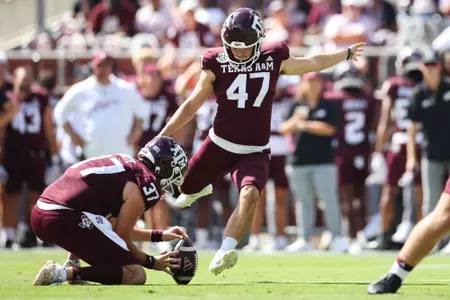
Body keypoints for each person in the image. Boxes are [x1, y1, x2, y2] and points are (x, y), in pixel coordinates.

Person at [158, 7, 364, 275]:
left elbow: (312, 62)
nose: (240, 52)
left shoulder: (274, 56)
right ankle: (196, 189)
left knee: (251, 193)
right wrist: (163, 135)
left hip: (254, 150)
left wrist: (345, 54)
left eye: (246, 47)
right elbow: (190, 105)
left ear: (259, 41)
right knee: (181, 196)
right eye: (234, 47)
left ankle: (226, 250)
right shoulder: (214, 62)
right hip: (218, 144)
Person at [31, 136, 189, 286]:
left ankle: (72, 262)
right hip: (61, 217)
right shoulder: (144, 184)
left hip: (41, 212)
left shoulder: (126, 164)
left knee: (97, 217)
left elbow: (114, 227)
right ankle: (61, 273)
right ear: (164, 165)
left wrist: (159, 235)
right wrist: (152, 262)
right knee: (135, 274)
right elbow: (122, 238)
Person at [367, 50, 450, 295]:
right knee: (440, 213)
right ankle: (395, 275)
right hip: (432, 154)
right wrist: (409, 158)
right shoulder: (418, 93)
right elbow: (411, 129)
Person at [281, 72, 346, 252]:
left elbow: (329, 129)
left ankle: (336, 237)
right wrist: (296, 121)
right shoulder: (295, 105)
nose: (313, 85)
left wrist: (305, 125)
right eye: (309, 81)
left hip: (324, 160)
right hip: (298, 160)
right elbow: (283, 128)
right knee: (303, 201)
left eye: (316, 81)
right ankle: (304, 238)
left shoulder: (329, 104)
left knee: (329, 200)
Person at [367, 48, 424, 249]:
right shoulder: (424, 84)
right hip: (420, 142)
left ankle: (385, 235)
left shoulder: (394, 84)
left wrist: (378, 152)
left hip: (401, 142)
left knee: (391, 191)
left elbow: (384, 121)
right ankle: (419, 240)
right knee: (419, 193)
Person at [1, 66, 59, 248]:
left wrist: (55, 157)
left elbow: (49, 128)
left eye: (28, 78)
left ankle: (35, 232)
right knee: (11, 194)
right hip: (12, 154)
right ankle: (9, 235)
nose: (24, 81)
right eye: (21, 78)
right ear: (14, 79)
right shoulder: (6, 98)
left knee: (38, 195)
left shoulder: (40, 99)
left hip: (35, 154)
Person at [53, 51, 146, 160]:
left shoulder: (126, 89)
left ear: (111, 67)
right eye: (100, 65)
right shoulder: (80, 90)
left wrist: (135, 134)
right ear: (93, 66)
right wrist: (75, 138)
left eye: (106, 65)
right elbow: (60, 113)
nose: (103, 69)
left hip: (121, 154)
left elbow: (142, 112)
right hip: (91, 154)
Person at [327, 63, 377, 239]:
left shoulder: (334, 98)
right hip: (362, 152)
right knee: (360, 197)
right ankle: (361, 233)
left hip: (342, 153)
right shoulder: (368, 99)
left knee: (346, 197)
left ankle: (352, 235)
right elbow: (374, 125)